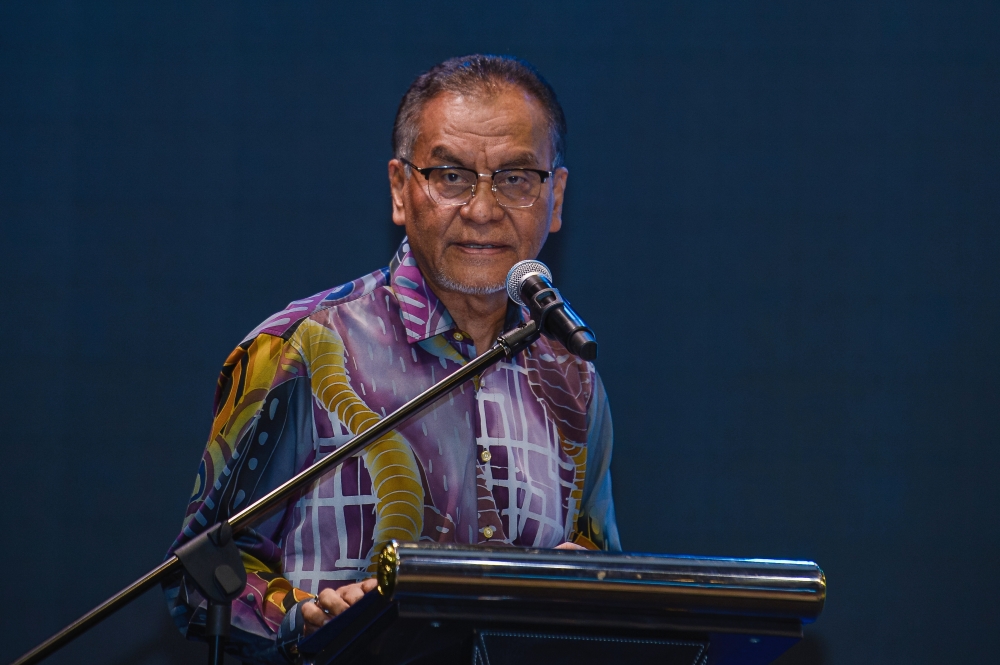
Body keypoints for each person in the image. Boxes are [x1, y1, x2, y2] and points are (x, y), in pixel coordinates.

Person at [165, 54, 620, 664]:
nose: (483, 209)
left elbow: (602, 572)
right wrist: (302, 618)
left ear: (555, 197)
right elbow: (197, 574)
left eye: (515, 178)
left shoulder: (572, 376)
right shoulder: (301, 346)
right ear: (401, 189)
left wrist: (588, 580)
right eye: (451, 176)